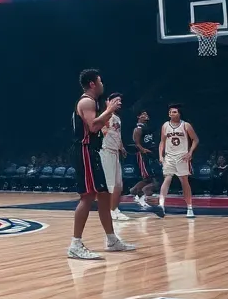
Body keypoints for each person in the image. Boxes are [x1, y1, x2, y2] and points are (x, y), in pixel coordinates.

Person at [68, 69, 135, 260]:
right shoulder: (87, 101)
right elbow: (94, 126)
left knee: (104, 196)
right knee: (87, 196)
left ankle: (111, 239)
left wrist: (107, 111)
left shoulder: (92, 102)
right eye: (100, 81)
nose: (102, 84)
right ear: (92, 84)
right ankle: (75, 244)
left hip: (93, 151)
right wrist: (109, 110)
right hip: (84, 151)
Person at [156, 104, 199, 218]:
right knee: (167, 178)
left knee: (184, 181)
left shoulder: (186, 125)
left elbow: (195, 139)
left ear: (179, 114)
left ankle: (189, 207)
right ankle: (161, 205)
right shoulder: (165, 125)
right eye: (170, 111)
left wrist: (190, 153)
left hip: (182, 157)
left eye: (174, 112)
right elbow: (162, 142)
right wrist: (161, 155)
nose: (171, 113)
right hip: (169, 156)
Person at [98, 94, 129, 221]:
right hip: (106, 152)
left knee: (118, 185)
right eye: (117, 101)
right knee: (111, 185)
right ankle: (110, 211)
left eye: (120, 101)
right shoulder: (105, 115)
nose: (120, 103)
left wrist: (122, 147)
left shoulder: (117, 118)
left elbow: (117, 135)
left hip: (115, 152)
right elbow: (100, 129)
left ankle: (115, 209)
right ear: (108, 102)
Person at [128, 110, 164, 217]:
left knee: (148, 178)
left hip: (151, 154)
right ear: (138, 116)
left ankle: (134, 191)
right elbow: (137, 143)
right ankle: (142, 194)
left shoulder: (147, 127)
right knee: (150, 178)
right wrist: (143, 150)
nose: (146, 115)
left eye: (147, 114)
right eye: (143, 114)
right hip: (144, 155)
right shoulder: (138, 129)